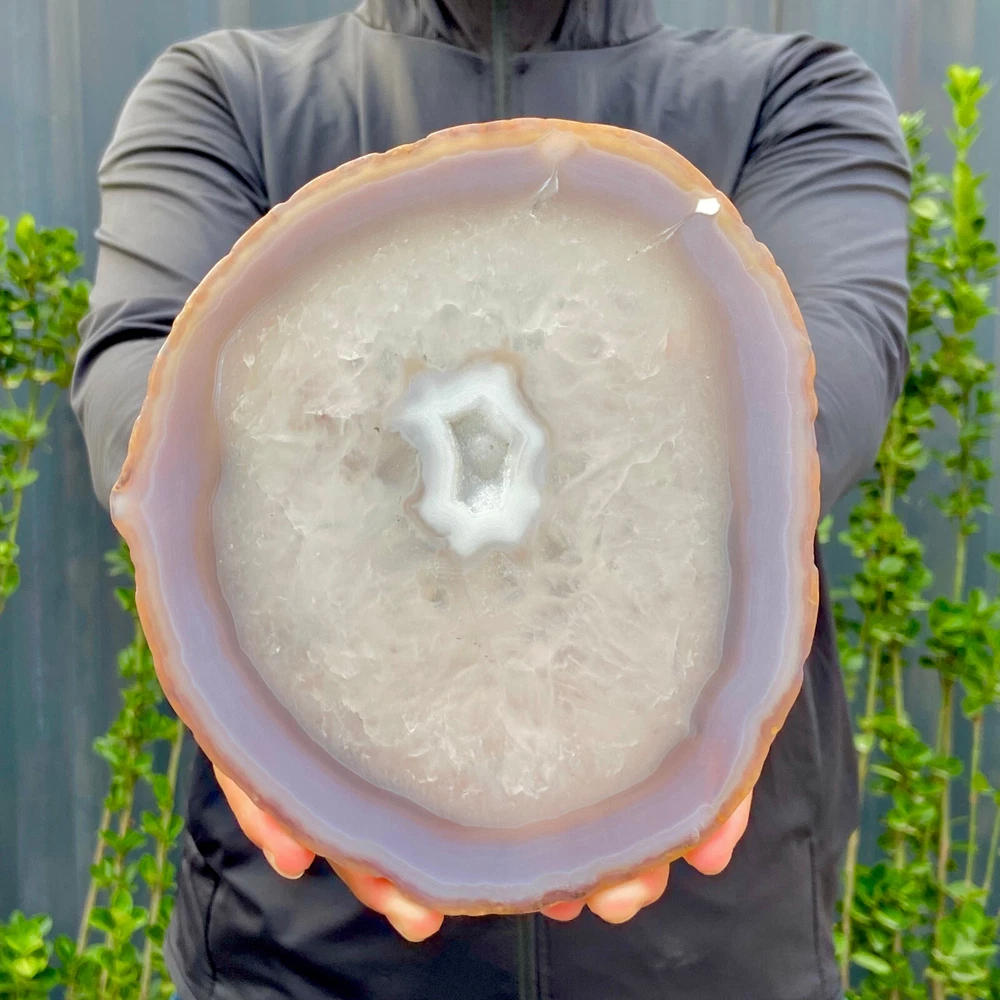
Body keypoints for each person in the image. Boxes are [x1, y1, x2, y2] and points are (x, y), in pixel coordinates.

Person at [71, 2, 911, 998]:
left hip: (711, 947)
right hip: (301, 945)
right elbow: (136, 363)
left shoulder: (790, 95)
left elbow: (835, 371)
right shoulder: (228, 96)